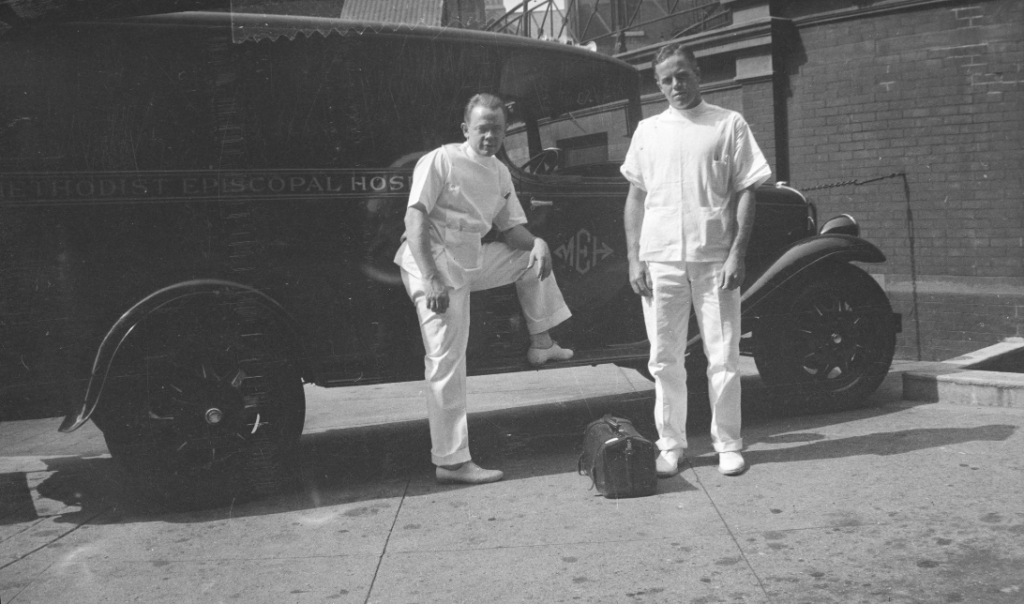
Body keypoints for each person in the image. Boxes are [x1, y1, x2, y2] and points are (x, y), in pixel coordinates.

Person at [395, 92, 574, 485]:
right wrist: (431, 279)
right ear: (466, 129)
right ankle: (452, 461)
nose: (489, 136)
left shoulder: (498, 172)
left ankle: (541, 342)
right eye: (482, 128)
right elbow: (414, 220)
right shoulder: (440, 159)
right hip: (433, 263)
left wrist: (538, 243)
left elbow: (512, 230)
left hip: (469, 261)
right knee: (446, 360)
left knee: (531, 257)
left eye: (497, 129)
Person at [621, 44, 772, 477]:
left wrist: (737, 254)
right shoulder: (648, 131)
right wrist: (635, 258)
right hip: (660, 260)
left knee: (723, 355)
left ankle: (728, 443)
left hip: (714, 260)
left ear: (698, 73)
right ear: (657, 83)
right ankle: (671, 444)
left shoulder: (728, 123)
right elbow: (635, 197)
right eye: (666, 79)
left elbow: (746, 191)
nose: (675, 86)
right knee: (663, 358)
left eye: (682, 76)